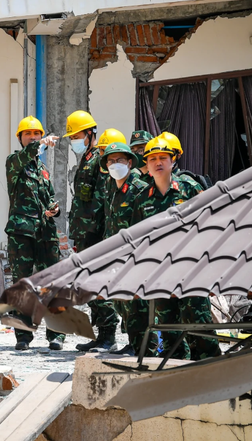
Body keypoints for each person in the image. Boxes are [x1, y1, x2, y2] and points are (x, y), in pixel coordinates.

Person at [130, 137, 221, 361]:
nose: (158, 162)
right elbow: (138, 239)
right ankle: (175, 370)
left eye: (163, 158)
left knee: (199, 323)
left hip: (191, 268)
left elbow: (211, 224)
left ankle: (210, 368)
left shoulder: (190, 189)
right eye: (152, 159)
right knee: (168, 326)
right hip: (160, 273)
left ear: (173, 161)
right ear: (147, 164)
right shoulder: (142, 199)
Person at [5, 116, 66, 351]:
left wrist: (55, 208)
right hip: (22, 232)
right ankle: (23, 336)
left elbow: (49, 198)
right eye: (28, 134)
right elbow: (26, 155)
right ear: (20, 138)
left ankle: (56, 335)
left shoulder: (43, 171)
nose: (33, 137)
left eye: (37, 134)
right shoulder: (14, 161)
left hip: (45, 232)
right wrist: (39, 145)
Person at [63, 110, 117, 351]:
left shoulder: (100, 159)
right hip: (84, 233)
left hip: (96, 234)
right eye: (71, 136)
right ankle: (100, 335)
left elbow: (105, 199)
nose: (73, 140)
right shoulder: (85, 159)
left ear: (90, 134)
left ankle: (108, 336)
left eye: (77, 135)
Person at [99, 142, 158, 357]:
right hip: (115, 255)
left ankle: (147, 348)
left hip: (135, 256)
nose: (115, 164)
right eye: (111, 161)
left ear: (130, 162)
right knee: (121, 303)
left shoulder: (139, 188)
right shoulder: (111, 187)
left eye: (120, 160)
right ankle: (134, 342)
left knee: (138, 305)